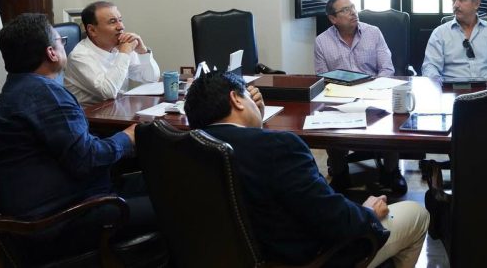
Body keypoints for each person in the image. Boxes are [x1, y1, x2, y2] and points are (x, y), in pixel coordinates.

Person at [184, 71, 429, 268]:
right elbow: (335, 220)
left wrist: (256, 127)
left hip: (227, 257)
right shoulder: (280, 147)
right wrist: (368, 213)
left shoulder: (183, 150)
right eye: (249, 97)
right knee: (416, 214)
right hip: (306, 259)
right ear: (236, 99)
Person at [0, 13, 155, 262]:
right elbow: (87, 159)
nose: (64, 46)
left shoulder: (20, 88)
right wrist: (128, 137)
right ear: (51, 53)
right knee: (176, 204)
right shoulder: (45, 95)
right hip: (61, 221)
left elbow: (77, 150)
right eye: (61, 41)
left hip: (74, 198)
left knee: (168, 181)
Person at [315, 0, 406, 195]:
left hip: (374, 94)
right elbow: (322, 78)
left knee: (393, 118)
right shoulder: (322, 41)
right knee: (328, 120)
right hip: (341, 98)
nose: (353, 12)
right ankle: (340, 172)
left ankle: (392, 171)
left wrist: (373, 90)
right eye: (345, 10)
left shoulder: (373, 33)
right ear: (333, 18)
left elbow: (387, 68)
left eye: (353, 7)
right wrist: (342, 95)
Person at [65, 1, 160, 104]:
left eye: (120, 20)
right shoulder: (79, 56)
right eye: (112, 22)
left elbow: (152, 78)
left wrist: (142, 51)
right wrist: (124, 53)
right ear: (92, 30)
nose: (121, 27)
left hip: (118, 109)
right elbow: (108, 92)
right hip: (93, 113)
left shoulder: (119, 46)